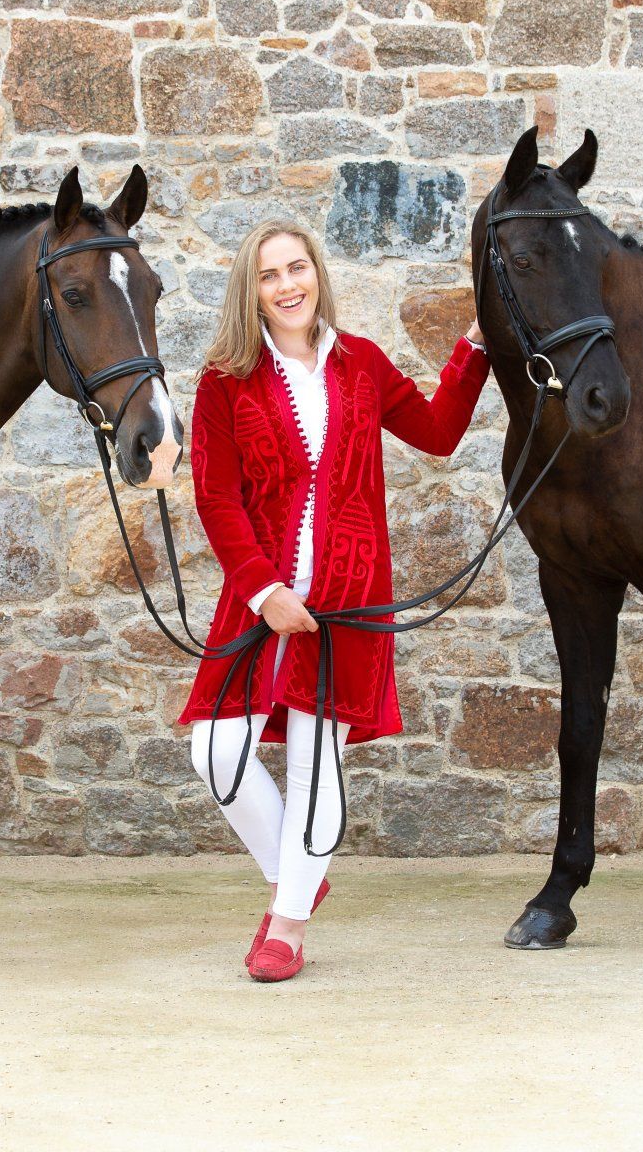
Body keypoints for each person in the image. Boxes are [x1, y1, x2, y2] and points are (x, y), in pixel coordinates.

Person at [181, 218, 489, 982]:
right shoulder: (225, 377)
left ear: (317, 272)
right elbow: (216, 496)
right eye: (268, 275)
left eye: (297, 268)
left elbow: (439, 432)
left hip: (350, 601)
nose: (287, 286)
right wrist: (261, 589)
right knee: (215, 753)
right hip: (261, 602)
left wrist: (477, 346)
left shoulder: (362, 365)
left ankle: (286, 925)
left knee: (320, 763)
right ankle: (301, 876)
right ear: (249, 291)